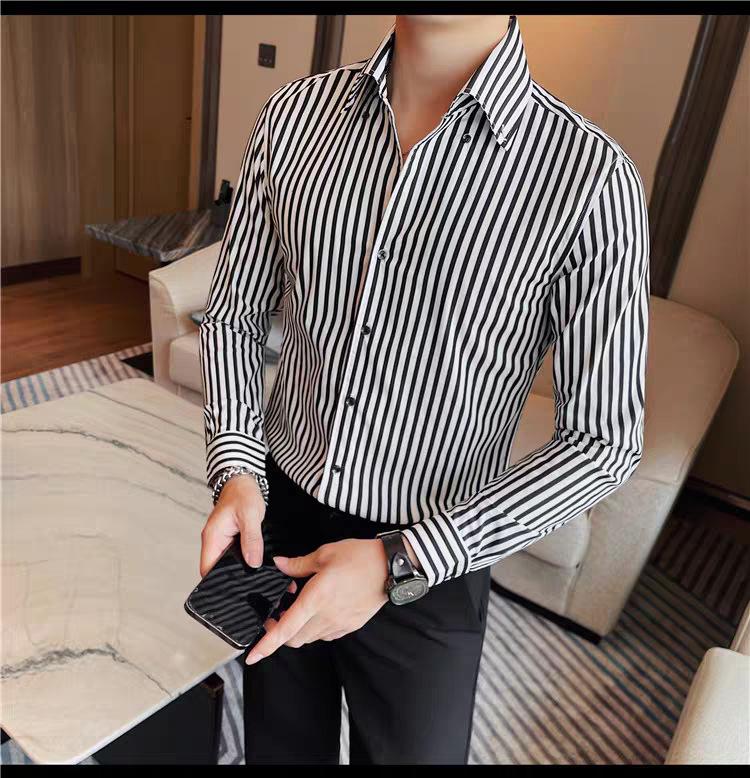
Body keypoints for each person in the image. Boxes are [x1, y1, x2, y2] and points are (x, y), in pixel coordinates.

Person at [197, 13, 650, 765]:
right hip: (280, 518)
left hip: (434, 555)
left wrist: (401, 560)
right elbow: (235, 313)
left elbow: (603, 440)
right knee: (279, 750)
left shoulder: (590, 179)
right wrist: (238, 469)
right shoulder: (291, 118)